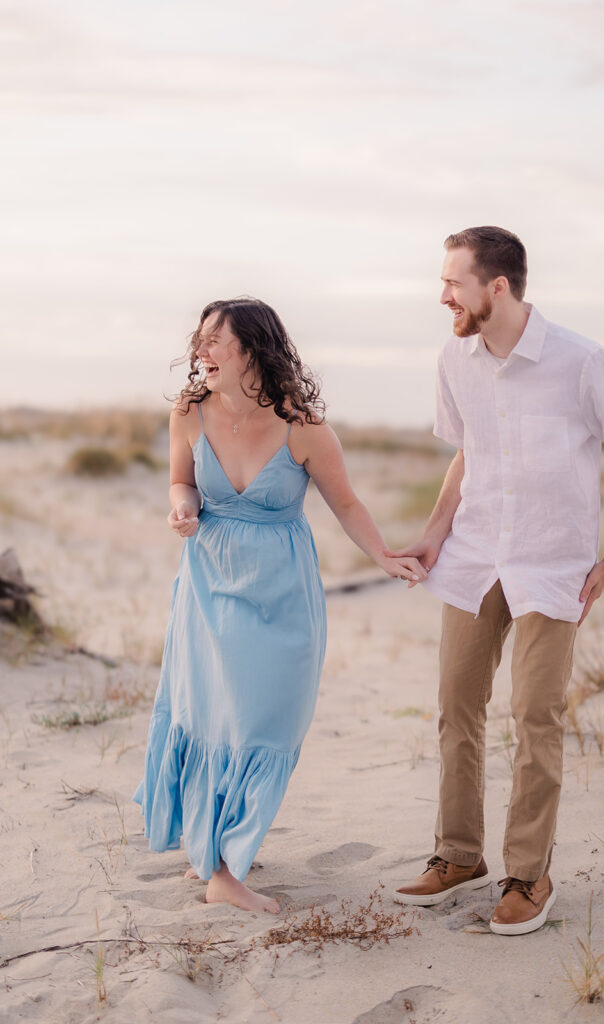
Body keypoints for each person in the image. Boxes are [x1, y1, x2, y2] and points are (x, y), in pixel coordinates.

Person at [390, 227, 604, 935]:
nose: (442, 294)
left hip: (551, 564)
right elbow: (467, 456)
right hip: (474, 557)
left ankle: (527, 877)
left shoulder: (579, 360)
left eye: (453, 281)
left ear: (496, 287)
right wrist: (433, 533)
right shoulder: (454, 357)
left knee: (534, 715)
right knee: (456, 707)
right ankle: (456, 857)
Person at [134, 297, 427, 914]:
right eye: (200, 339)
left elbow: (345, 503)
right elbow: (180, 480)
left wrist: (383, 556)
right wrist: (184, 507)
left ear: (254, 349)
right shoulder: (189, 413)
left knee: (269, 720)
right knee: (209, 714)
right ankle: (219, 867)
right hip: (208, 586)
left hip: (281, 594)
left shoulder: (304, 428)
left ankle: (220, 851)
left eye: (217, 339)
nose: (201, 351)